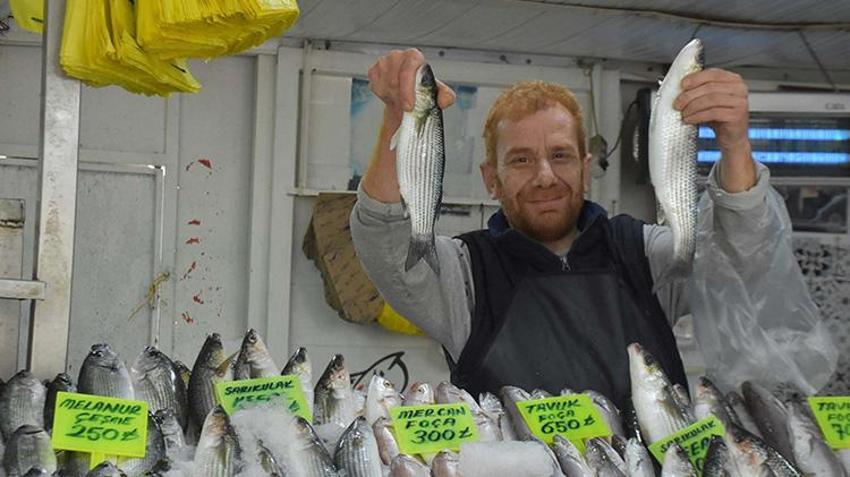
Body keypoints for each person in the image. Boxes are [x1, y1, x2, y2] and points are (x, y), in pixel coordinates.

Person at [350, 48, 776, 410]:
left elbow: (743, 258)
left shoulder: (645, 253)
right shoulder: (462, 275)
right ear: (490, 179)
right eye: (520, 159)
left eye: (560, 155)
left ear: (586, 168)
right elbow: (383, 236)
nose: (544, 176)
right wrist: (399, 112)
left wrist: (735, 142)